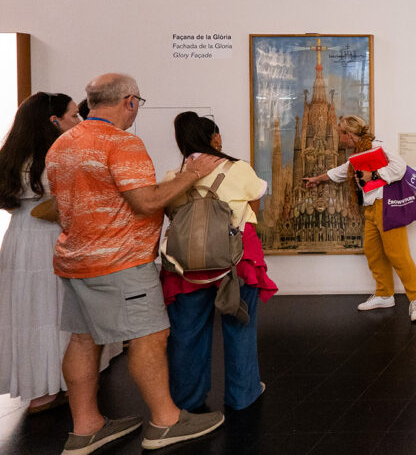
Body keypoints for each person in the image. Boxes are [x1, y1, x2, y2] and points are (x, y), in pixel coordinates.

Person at [46, 74, 225, 454]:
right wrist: (194, 174)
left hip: (76, 260)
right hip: (121, 261)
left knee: (82, 340)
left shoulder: (61, 144)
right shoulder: (122, 143)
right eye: (137, 103)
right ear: (129, 101)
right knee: (150, 338)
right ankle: (165, 422)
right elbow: (146, 202)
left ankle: (86, 427)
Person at [0, 92, 121, 414]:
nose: (78, 121)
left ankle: (39, 387)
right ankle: (67, 381)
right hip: (55, 237)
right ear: (53, 121)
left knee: (28, 312)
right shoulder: (61, 155)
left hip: (19, 239)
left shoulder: (11, 156)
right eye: (72, 115)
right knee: (61, 311)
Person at [161, 112, 277, 412]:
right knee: (239, 324)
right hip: (236, 258)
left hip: (187, 262)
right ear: (215, 139)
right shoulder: (238, 168)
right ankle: (243, 394)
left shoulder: (174, 176)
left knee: (187, 332)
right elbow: (255, 205)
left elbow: (170, 213)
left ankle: (188, 400)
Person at [304, 115, 416, 322]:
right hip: (372, 208)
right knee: (374, 252)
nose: (339, 139)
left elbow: (400, 167)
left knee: (397, 254)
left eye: (340, 134)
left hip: (387, 205)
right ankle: (384, 294)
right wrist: (318, 179)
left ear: (348, 134)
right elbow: (344, 170)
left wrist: (374, 175)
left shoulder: (377, 147)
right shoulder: (359, 153)